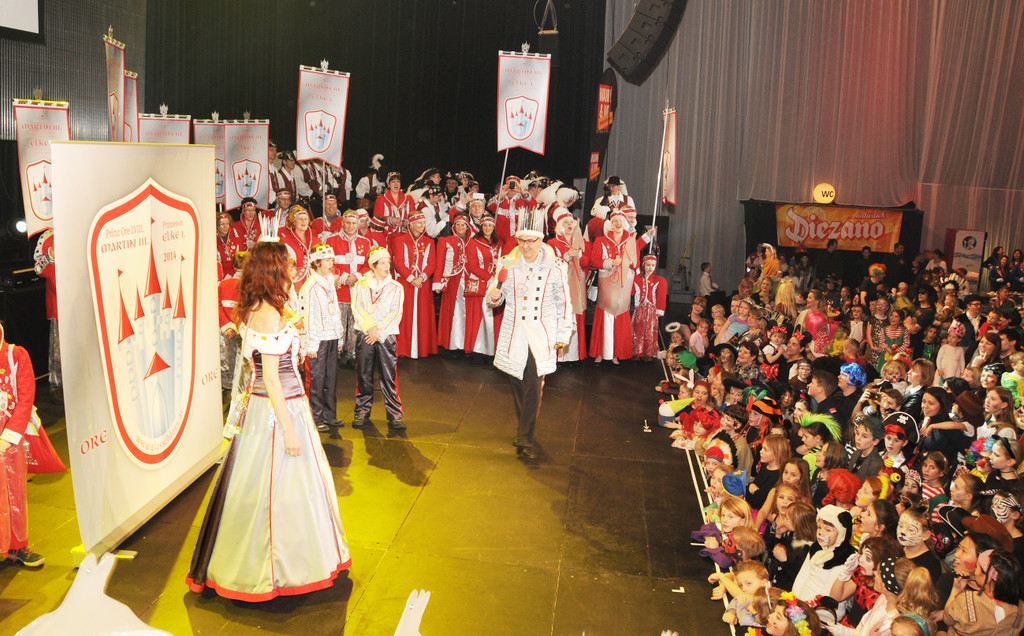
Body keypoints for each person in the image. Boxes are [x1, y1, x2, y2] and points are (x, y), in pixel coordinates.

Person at [187, 240, 350, 601]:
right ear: (273, 270)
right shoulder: (267, 314)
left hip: (283, 404)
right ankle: (272, 571)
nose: (293, 270)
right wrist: (289, 429)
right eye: (287, 265)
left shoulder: (264, 306)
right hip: (277, 409)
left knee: (279, 487)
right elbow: (271, 378)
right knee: (276, 488)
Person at [487, 207, 572, 460]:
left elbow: (563, 302)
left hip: (541, 333)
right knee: (517, 382)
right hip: (515, 331)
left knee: (534, 385)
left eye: (531, 241)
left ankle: (525, 437)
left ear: (540, 240)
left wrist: (563, 333)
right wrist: (493, 296)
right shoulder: (507, 263)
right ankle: (524, 428)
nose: (525, 246)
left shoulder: (555, 267)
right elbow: (495, 296)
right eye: (522, 241)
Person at [0, 321, 44, 567]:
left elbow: (26, 398)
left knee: (14, 493)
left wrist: (8, 437)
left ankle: (17, 547)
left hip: (10, 437)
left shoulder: (15, 355)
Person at [351, 246, 406, 429]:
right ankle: (362, 411)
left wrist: (378, 332)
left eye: (388, 262)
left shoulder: (396, 287)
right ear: (373, 266)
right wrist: (370, 328)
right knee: (363, 374)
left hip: (386, 336)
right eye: (382, 263)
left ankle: (395, 414)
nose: (386, 266)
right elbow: (357, 307)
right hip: (366, 335)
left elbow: (395, 312)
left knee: (389, 375)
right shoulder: (361, 285)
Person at [300, 244, 343, 431]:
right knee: (316, 379)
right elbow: (307, 318)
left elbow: (335, 310)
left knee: (330, 377)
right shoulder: (310, 287)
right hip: (317, 340)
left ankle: (329, 415)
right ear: (316, 263)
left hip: (331, 336)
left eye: (331, 259)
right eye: (327, 260)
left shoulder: (330, 282)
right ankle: (315, 417)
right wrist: (310, 345)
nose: (331, 263)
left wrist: (339, 336)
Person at [326, 210, 371, 366]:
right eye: (348, 223)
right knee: (338, 321)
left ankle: (352, 354)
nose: (351, 226)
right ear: (343, 223)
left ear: (358, 224)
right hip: (339, 289)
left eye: (354, 223)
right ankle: (336, 353)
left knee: (355, 323)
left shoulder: (365, 242)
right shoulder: (331, 240)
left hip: (357, 290)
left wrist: (356, 276)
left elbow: (369, 265)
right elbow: (328, 263)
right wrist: (344, 277)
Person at [393, 211, 438, 359]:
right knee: (404, 316)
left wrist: (422, 277)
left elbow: (432, 263)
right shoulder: (400, 240)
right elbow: (398, 262)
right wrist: (412, 278)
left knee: (423, 316)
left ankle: (421, 348)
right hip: (406, 283)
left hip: (422, 284)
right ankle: (403, 349)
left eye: (423, 223)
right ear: (411, 224)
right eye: (418, 223)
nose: (422, 225)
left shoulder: (429, 242)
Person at [434, 212, 471, 352]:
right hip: (452, 281)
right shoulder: (445, 241)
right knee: (452, 312)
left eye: (463, 225)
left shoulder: (472, 241)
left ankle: (466, 344)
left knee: (467, 313)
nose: (460, 227)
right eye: (458, 225)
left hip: (468, 281)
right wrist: (437, 282)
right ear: (454, 226)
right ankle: (452, 344)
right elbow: (439, 263)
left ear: (467, 227)